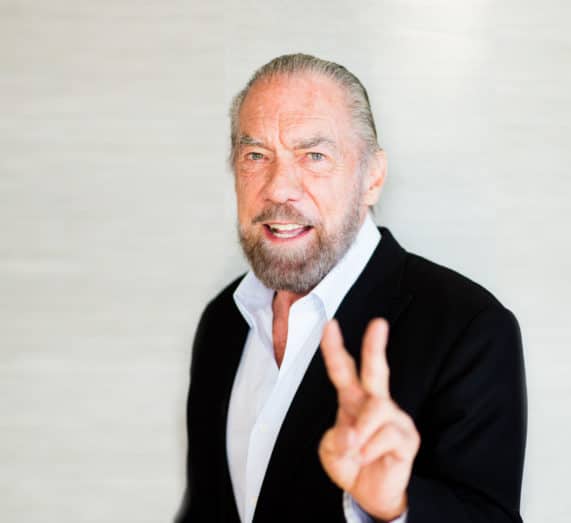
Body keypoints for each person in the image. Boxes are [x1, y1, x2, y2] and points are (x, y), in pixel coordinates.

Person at [176, 53, 526, 523]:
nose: (279, 188)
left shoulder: (470, 329)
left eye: (314, 157)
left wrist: (392, 508)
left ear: (372, 178)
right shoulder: (223, 320)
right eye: (256, 156)